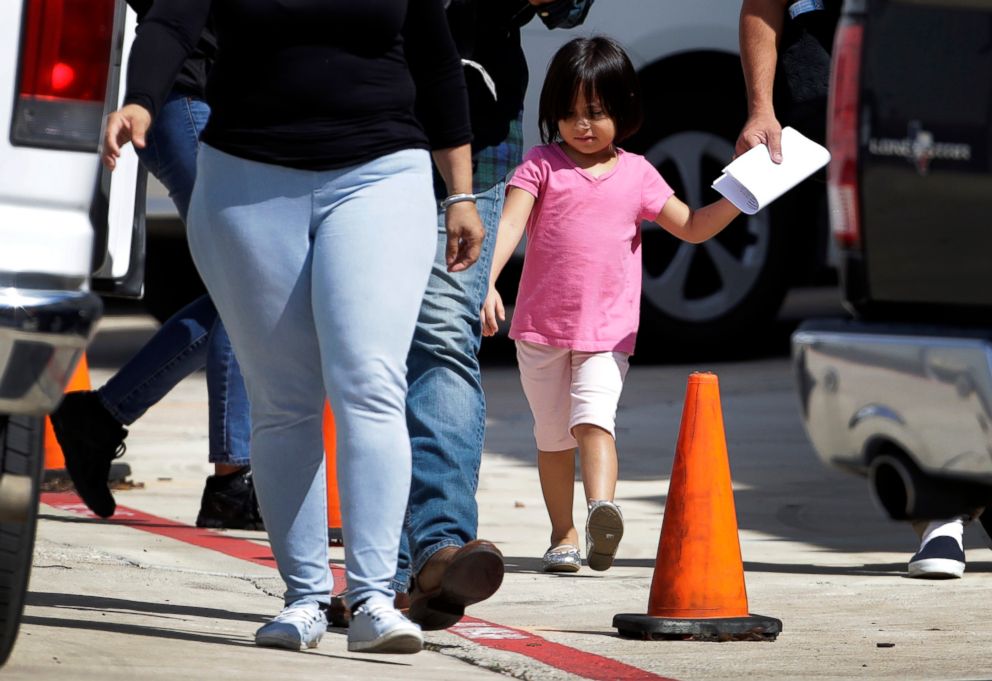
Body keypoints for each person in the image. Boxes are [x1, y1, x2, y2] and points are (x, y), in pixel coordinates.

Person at [102, 0, 482, 654]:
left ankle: (371, 599)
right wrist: (140, 100)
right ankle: (305, 596)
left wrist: (463, 191)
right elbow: (169, 22)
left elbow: (437, 57)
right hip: (246, 179)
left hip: (381, 172)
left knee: (369, 379)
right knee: (283, 397)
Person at [736, 0, 984, 580]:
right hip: (886, 91)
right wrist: (761, 108)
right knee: (923, 299)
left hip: (964, 68)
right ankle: (939, 514)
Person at [481, 35, 742, 573]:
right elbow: (508, 226)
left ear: (623, 111)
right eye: (570, 113)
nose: (582, 125)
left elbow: (692, 226)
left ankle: (602, 509)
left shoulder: (639, 174)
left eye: (596, 112)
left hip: (607, 334)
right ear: (553, 114)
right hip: (539, 331)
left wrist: (740, 198)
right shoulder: (540, 165)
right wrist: (485, 282)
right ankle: (564, 535)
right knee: (552, 438)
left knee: (594, 419)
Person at [390, 0, 594, 631]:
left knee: (443, 341)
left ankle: (437, 551)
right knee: (367, 356)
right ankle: (389, 575)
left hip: (476, 141)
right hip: (366, 126)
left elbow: (568, 7)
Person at [50, 0, 260, 531]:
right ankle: (229, 480)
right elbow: (168, 19)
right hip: (188, 102)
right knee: (245, 284)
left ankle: (99, 416)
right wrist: (142, 98)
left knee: (245, 288)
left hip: (224, 107)